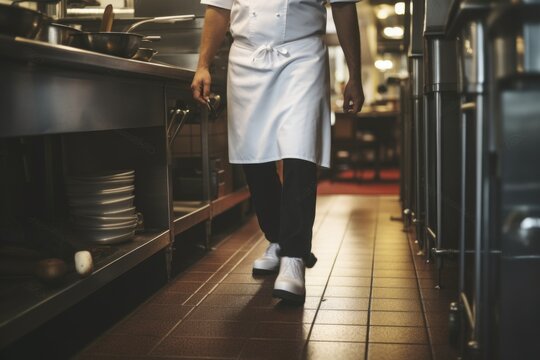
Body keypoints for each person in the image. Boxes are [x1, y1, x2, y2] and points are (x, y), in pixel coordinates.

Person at [192, 0, 364, 304]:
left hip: (302, 56)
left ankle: (294, 257)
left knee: (301, 150)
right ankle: (278, 238)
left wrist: (355, 74)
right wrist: (203, 64)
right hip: (246, 58)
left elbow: (343, 6)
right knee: (253, 156)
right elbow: (218, 9)